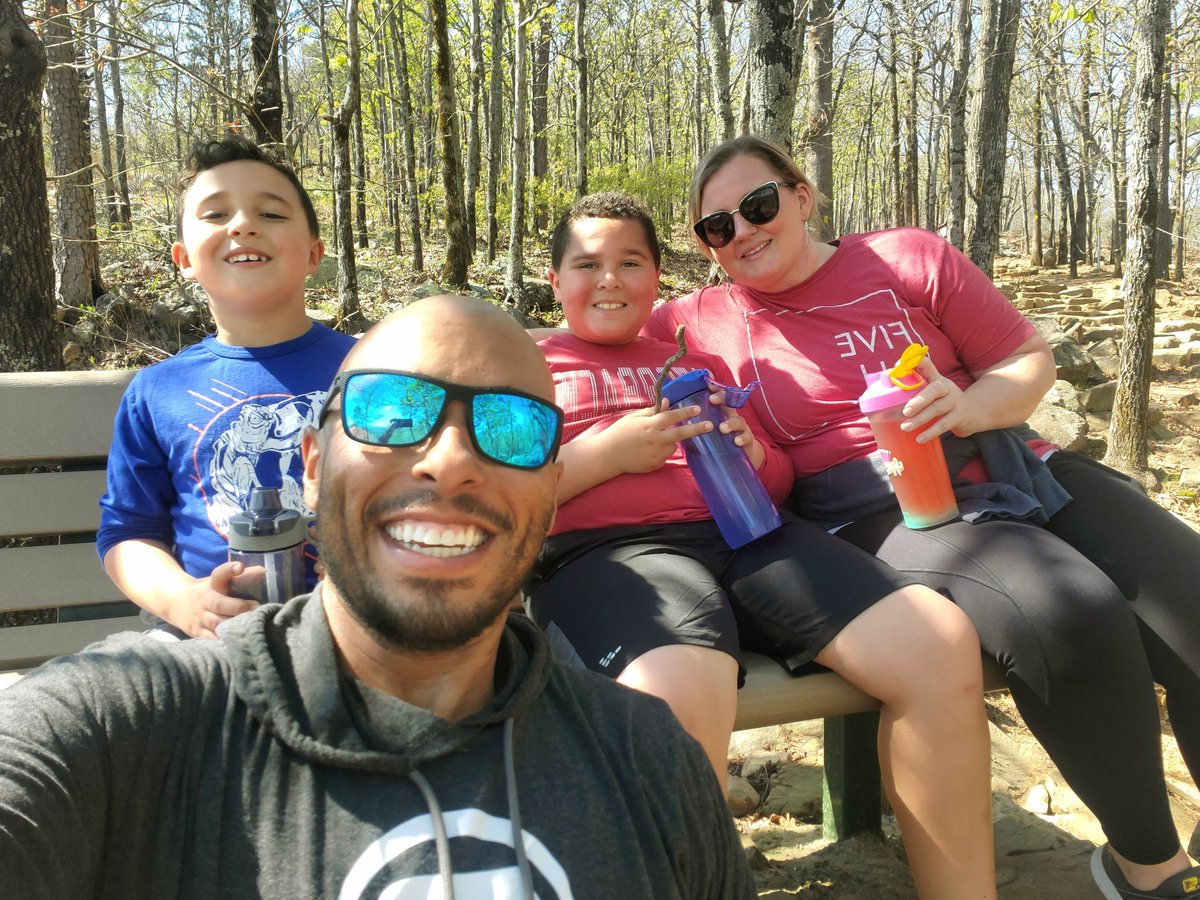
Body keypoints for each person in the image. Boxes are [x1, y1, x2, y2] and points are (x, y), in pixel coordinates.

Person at [0, 295, 755, 899]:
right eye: (392, 410)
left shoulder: (650, 760)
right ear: (312, 464)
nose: (450, 460)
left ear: (551, 491)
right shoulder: (123, 730)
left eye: (512, 427)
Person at [649, 133, 1200, 900]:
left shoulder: (906, 258)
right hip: (877, 509)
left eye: (758, 205)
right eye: (717, 227)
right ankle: (1149, 869)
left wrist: (970, 405)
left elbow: (1025, 359)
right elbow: (594, 337)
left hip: (1011, 459)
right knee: (1064, 609)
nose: (741, 231)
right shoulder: (697, 322)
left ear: (802, 197)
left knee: (1191, 597)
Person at [533, 192, 997, 899]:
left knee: (938, 644)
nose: (609, 280)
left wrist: (752, 453)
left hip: (749, 538)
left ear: (657, 277)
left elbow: (778, 479)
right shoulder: (529, 367)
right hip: (609, 556)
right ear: (555, 280)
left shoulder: (695, 361)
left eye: (630, 262)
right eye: (587, 264)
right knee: (680, 690)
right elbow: (496, 493)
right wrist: (606, 455)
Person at [98, 135, 356, 640]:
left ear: (313, 254)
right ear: (184, 259)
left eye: (271, 214)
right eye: (216, 215)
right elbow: (128, 531)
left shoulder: (373, 367)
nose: (242, 225)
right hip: (208, 641)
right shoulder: (156, 391)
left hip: (357, 633)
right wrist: (183, 601)